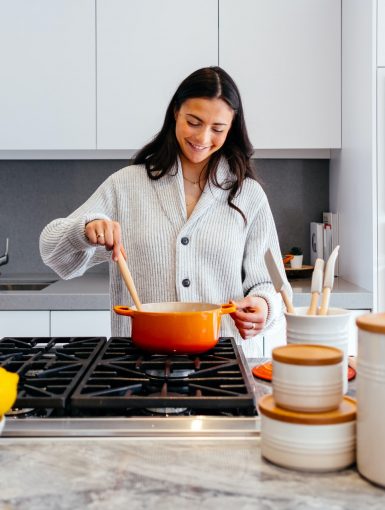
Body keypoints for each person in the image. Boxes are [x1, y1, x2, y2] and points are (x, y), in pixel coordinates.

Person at [40, 66, 290, 357]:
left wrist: (263, 306)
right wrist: (85, 230)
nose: (203, 137)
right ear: (175, 113)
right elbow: (52, 251)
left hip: (221, 368)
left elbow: (271, 284)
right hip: (137, 366)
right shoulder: (127, 185)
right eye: (193, 122)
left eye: (218, 129)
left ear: (232, 127)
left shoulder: (247, 195)